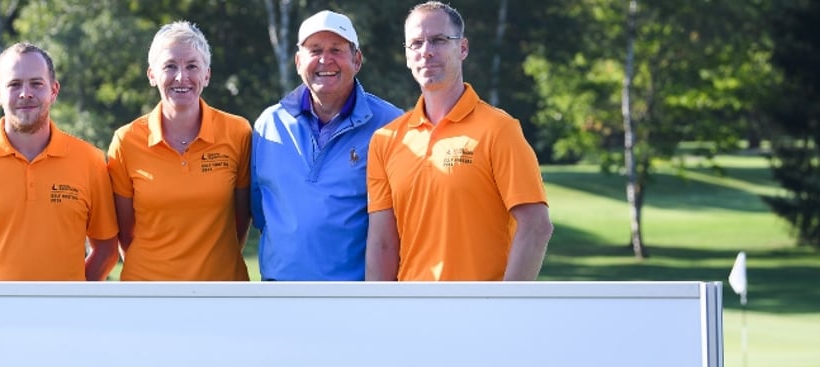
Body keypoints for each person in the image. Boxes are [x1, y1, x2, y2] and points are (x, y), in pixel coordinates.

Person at [366, 2, 553, 281]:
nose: (426, 51)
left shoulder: (499, 129)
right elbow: (383, 244)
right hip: (412, 313)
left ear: (462, 48)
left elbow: (536, 226)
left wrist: (506, 307)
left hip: (481, 314)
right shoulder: (386, 140)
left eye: (439, 40)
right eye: (415, 44)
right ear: (407, 55)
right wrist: (381, 316)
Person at [0, 42, 119, 281]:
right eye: (14, 84)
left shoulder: (91, 161)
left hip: (63, 317)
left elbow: (107, 251)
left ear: (54, 90)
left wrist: (73, 299)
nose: (26, 93)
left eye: (36, 83)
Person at [250, 10, 402, 281]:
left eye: (336, 49)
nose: (325, 59)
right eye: (315, 49)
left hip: (354, 298)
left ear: (357, 60)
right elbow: (261, 212)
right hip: (277, 297)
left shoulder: (392, 125)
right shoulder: (268, 124)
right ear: (298, 61)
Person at [106, 21, 251, 281]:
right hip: (148, 291)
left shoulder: (238, 132)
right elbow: (124, 233)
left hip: (222, 290)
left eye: (192, 66)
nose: (181, 77)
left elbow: (241, 220)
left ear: (207, 74)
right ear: (152, 75)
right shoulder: (126, 140)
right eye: (170, 66)